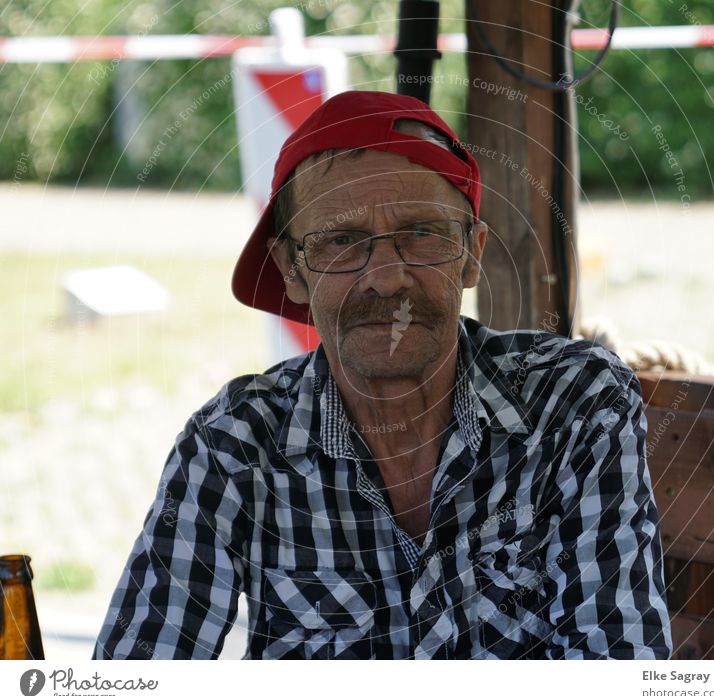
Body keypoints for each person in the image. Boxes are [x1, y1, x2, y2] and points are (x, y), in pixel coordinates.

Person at [93, 90, 672, 660]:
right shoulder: (236, 443)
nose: (387, 279)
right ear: (291, 272)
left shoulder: (570, 402)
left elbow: (620, 668)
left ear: (472, 254)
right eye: (341, 242)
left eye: (422, 234)